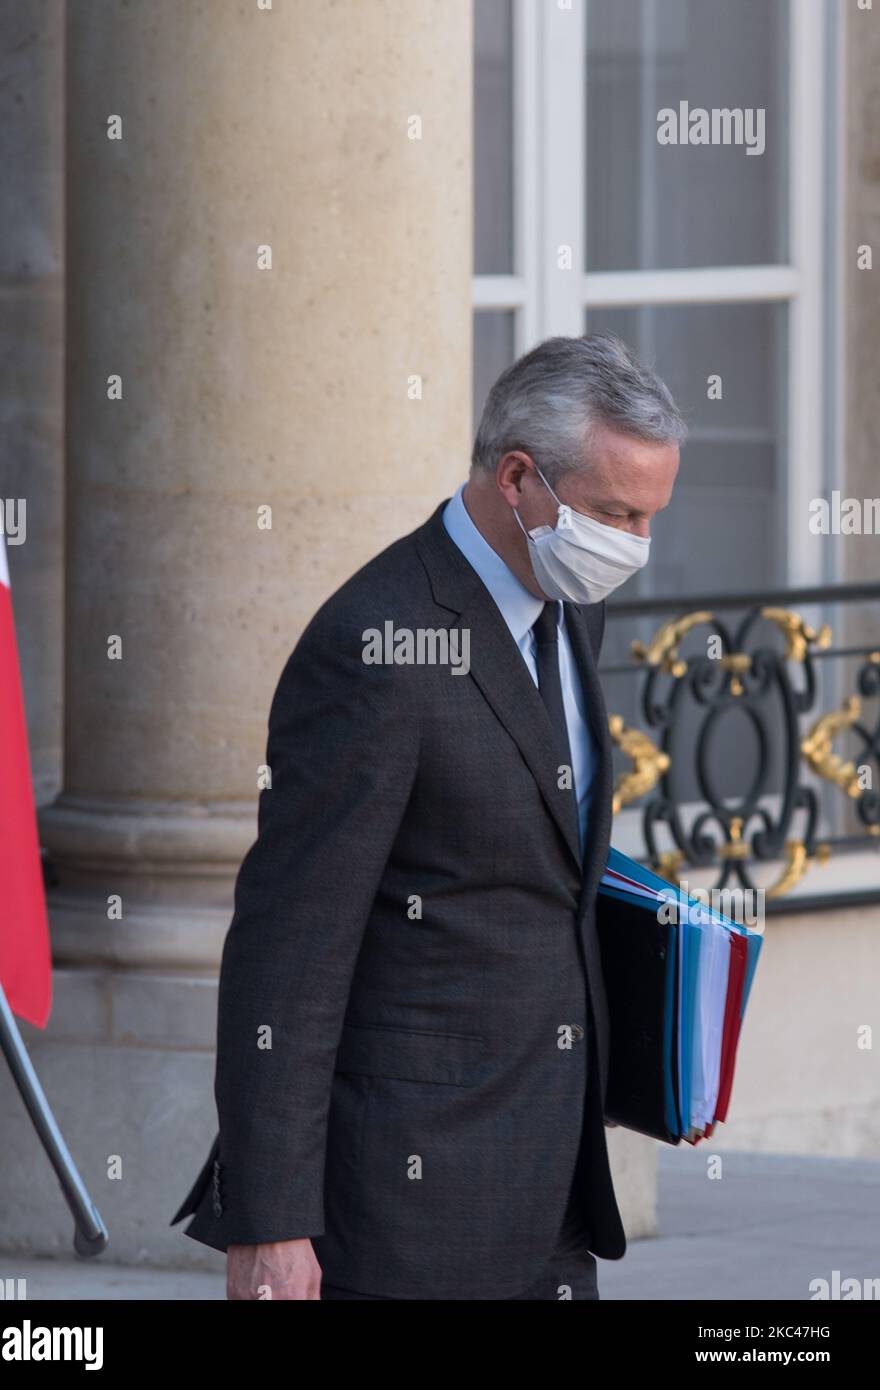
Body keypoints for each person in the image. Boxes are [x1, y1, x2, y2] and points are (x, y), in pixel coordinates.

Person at [171, 332, 685, 1300]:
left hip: (554, 1177)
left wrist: (652, 1047)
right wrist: (272, 1221)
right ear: (518, 477)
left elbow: (537, 871)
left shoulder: (569, 605)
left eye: (650, 516)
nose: (633, 545)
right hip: (406, 1195)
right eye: (615, 513)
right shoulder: (376, 642)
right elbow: (290, 945)